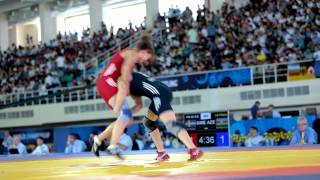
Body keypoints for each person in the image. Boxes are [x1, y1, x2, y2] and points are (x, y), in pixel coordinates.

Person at [92, 72, 203, 161]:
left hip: (159, 94)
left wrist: (122, 115)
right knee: (148, 122)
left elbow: (123, 97)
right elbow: (139, 105)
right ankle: (161, 153)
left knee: (170, 124)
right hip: (159, 93)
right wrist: (126, 115)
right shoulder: (130, 79)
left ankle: (193, 149)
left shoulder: (122, 78)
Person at [95, 33, 154, 157]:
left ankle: (98, 139)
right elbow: (123, 85)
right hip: (107, 82)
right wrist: (118, 108)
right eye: (148, 57)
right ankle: (112, 146)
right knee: (125, 115)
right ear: (145, 52)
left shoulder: (131, 57)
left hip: (109, 82)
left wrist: (124, 113)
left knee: (128, 120)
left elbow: (138, 104)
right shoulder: (131, 57)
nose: (147, 61)